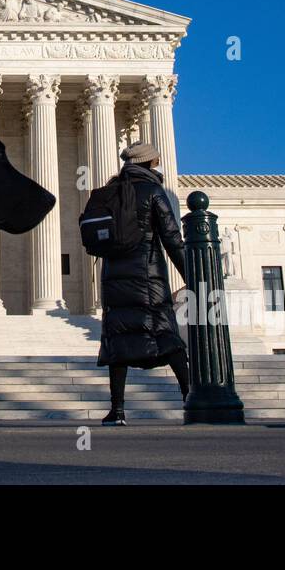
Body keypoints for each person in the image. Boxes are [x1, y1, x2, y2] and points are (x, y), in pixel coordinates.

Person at [98, 142, 191, 426]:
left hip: (113, 276)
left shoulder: (111, 190)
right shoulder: (152, 191)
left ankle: (117, 410)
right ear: (150, 164)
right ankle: (190, 397)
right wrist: (193, 277)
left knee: (118, 341)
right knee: (167, 336)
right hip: (147, 276)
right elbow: (173, 239)